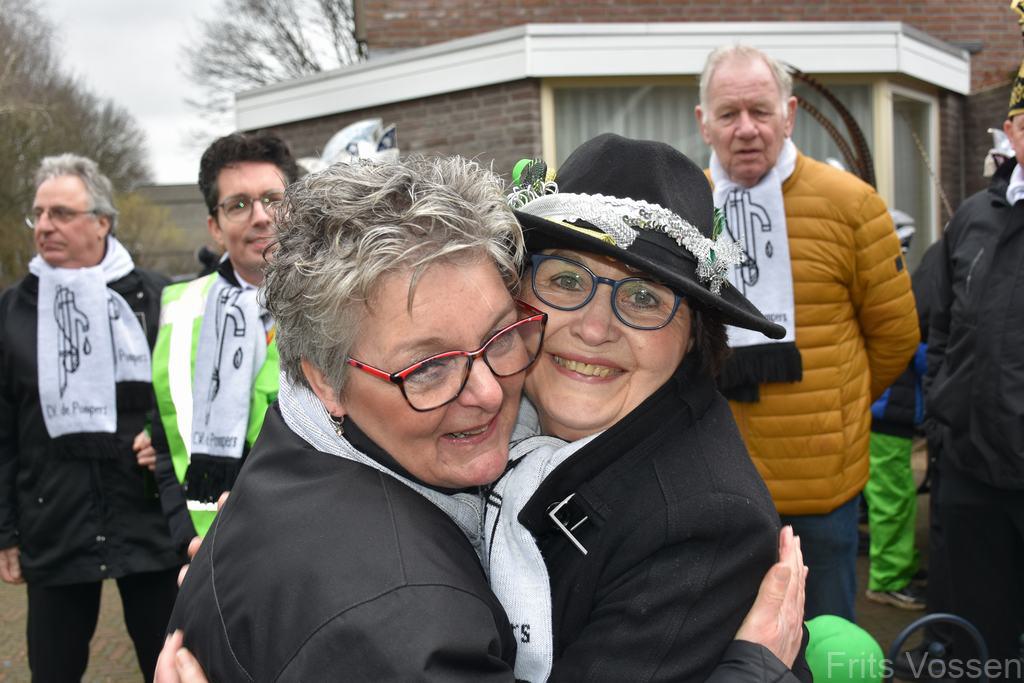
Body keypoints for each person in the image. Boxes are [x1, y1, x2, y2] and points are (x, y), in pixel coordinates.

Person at [159, 154, 808, 681]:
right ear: (524, 287)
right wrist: (275, 584)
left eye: (643, 297)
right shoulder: (492, 434)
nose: (594, 327)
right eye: (567, 281)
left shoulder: (701, 522)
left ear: (693, 335)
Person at [695, 44, 920, 620]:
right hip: (718, 481)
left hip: (823, 487)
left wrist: (837, 407)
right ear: (704, 123)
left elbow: (896, 336)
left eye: (761, 111)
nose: (746, 128)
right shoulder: (684, 209)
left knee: (826, 642)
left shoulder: (852, 205)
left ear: (789, 114)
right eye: (728, 113)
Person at [0, 154, 181, 681]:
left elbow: (185, 398)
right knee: (53, 670)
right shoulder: (12, 312)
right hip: (53, 518)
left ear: (102, 222)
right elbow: (3, 431)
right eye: (38, 214)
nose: (45, 226)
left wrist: (163, 437)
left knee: (170, 666)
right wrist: (5, 530)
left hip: (148, 518)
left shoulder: (159, 298)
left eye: (61, 213)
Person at [146, 131, 300, 553]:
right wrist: (188, 539)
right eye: (239, 205)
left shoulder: (344, 300)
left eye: (273, 199)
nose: (261, 217)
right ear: (215, 226)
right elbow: (167, 444)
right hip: (213, 544)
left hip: (318, 539)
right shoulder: (180, 311)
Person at [924, 57, 1024, 678]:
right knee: (978, 645)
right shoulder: (972, 218)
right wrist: (943, 417)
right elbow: (940, 327)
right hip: (970, 471)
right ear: (1012, 130)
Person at [863, 214, 927, 610]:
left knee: (895, 495)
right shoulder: (891, 290)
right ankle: (888, 578)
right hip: (889, 410)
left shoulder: (884, 285)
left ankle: (900, 565)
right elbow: (910, 347)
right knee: (892, 498)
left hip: (889, 408)